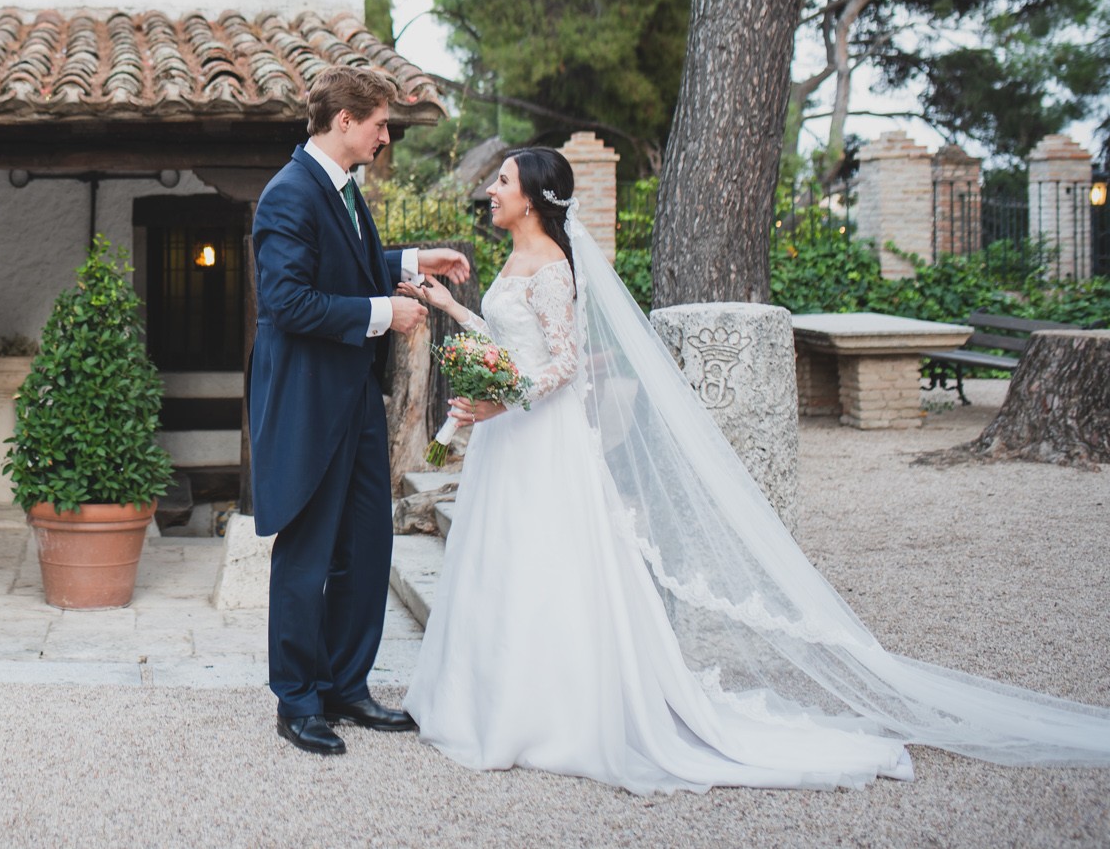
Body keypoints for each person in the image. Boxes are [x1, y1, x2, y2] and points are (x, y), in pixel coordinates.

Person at [396, 146, 1110, 793]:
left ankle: (548, 711)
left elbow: (562, 363)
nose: (490, 189)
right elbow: (516, 349)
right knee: (504, 560)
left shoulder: (552, 267)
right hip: (510, 436)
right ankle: (495, 696)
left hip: (538, 438)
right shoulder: (516, 263)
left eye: (502, 181)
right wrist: (457, 309)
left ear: (534, 197)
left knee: (548, 562)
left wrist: (503, 401)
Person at [247, 66, 471, 757]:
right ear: (343, 121)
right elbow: (286, 301)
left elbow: (349, 263)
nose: (385, 137)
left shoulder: (342, 188)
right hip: (309, 400)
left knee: (367, 546)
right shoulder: (287, 194)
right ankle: (298, 698)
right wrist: (385, 311)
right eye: (379, 124)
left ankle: (346, 683)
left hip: (353, 400)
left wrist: (405, 259)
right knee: (308, 551)